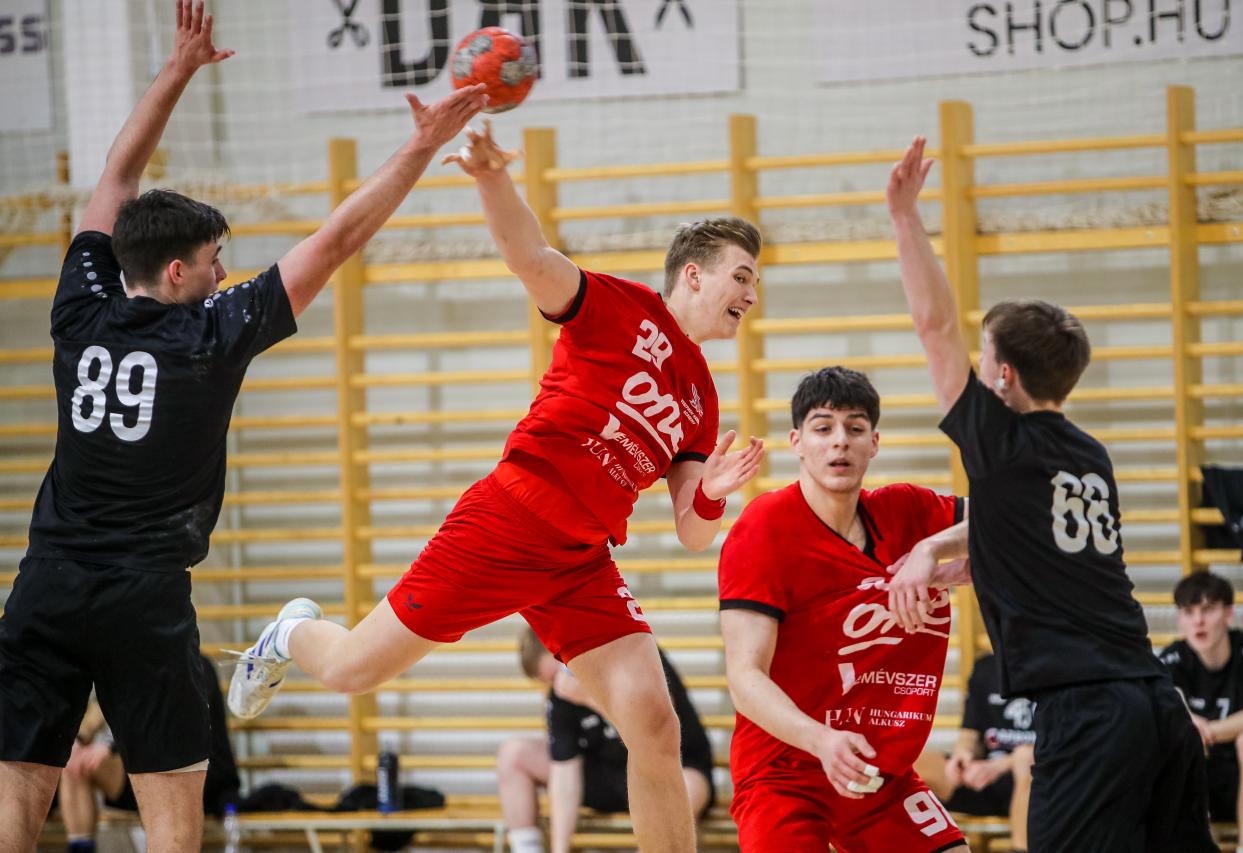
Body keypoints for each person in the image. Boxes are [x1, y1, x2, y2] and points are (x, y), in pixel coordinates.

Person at [0, 2, 489, 848]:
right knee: (172, 801)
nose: (225, 272)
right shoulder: (210, 334)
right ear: (178, 270)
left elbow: (115, 175)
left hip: (46, 582)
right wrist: (418, 145)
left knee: (18, 788)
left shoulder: (78, 305)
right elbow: (336, 239)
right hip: (144, 596)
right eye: (214, 260)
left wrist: (176, 69)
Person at [227, 121, 765, 853]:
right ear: (694, 274)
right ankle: (291, 631)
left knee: (654, 723)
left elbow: (692, 530)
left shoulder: (701, 397)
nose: (752, 293)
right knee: (353, 670)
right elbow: (530, 256)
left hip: (579, 559)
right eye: (742, 275)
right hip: (508, 520)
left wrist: (714, 493)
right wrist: (491, 178)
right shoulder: (616, 306)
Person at [883, 135, 1217, 852]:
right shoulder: (1089, 456)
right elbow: (1019, 528)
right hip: (1158, 704)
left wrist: (905, 217)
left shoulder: (1003, 445)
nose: (976, 365)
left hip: (1087, 715)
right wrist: (938, 548)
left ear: (1002, 376)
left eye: (985, 356)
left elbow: (933, 326)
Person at [718, 366, 971, 852]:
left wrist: (933, 551)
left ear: (873, 443)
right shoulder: (765, 528)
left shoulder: (908, 512)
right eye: (823, 428)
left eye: (855, 428)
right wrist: (822, 740)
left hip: (880, 773)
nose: (840, 441)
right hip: (785, 771)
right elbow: (745, 677)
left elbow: (1017, 516)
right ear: (797, 442)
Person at [497, 627, 714, 853]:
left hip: (670, 769)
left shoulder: (634, 651)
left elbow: (653, 730)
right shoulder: (562, 688)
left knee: (687, 787)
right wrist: (560, 849)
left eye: (559, 672)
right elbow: (565, 768)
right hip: (607, 777)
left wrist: (588, 698)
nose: (559, 682)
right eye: (552, 680)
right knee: (513, 754)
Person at [58, 656, 239, 852]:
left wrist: (110, 746)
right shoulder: (134, 665)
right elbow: (103, 710)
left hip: (199, 772)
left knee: (160, 772)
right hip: (149, 767)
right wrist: (79, 740)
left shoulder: (193, 664)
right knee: (74, 764)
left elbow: (170, 724)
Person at [1159, 572, 1243, 853]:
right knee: (1170, 744)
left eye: (1208, 610)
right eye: (1189, 612)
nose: (1198, 621)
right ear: (1179, 619)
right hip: (1202, 776)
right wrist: (1190, 726)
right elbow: (1163, 711)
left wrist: (1209, 729)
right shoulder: (1173, 657)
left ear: (1228, 613)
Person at [914, 654, 1035, 853]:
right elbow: (969, 733)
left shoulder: (1057, 669)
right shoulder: (986, 668)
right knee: (909, 764)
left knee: (1027, 761)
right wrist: (963, 755)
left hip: (1036, 782)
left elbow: (1063, 746)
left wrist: (1001, 765)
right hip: (984, 779)